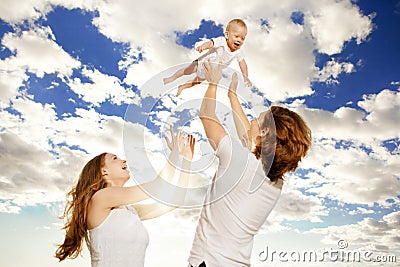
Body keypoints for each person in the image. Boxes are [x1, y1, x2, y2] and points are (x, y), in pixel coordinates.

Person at [188, 61, 312, 267]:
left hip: (209, 263)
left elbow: (206, 115)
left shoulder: (239, 160)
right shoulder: (274, 179)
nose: (252, 119)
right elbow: (249, 136)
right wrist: (232, 96)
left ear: (264, 132)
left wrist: (213, 83)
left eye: (257, 118)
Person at [55, 126, 195, 267]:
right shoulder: (100, 198)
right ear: (104, 172)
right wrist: (174, 154)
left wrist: (187, 160)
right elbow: (157, 187)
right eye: (115, 158)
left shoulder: (131, 211)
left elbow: (175, 200)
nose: (124, 161)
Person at [163, 18, 252, 97]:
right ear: (227, 35)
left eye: (242, 38)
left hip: (210, 71)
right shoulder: (221, 41)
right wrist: (203, 46)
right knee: (187, 71)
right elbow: (211, 43)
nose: (239, 40)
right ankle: (172, 77)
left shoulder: (238, 52)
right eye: (236, 36)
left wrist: (245, 76)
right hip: (202, 62)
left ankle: (182, 87)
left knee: (196, 82)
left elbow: (242, 63)